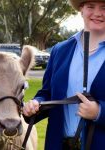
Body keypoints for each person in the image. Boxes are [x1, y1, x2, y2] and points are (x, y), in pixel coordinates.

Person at [23, 0, 105, 150]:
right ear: (81, 9)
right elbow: (47, 93)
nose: (98, 13)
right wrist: (35, 104)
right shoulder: (60, 50)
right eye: (91, 7)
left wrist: (99, 112)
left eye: (104, 8)